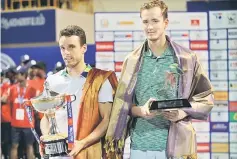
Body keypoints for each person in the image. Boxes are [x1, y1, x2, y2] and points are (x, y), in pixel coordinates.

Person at [105, 0, 214, 159]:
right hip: (140, 147)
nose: (150, 27)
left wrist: (182, 112)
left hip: (177, 147)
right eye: (145, 22)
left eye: (155, 21)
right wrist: (141, 111)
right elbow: (123, 105)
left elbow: (206, 99)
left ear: (165, 23)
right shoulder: (132, 60)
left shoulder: (186, 59)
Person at [40, 25, 118, 159]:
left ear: (84, 48)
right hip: (56, 154)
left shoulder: (99, 80)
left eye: (71, 47)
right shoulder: (52, 81)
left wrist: (82, 143)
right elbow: (46, 117)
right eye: (62, 48)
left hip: (88, 151)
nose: (66, 53)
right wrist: (47, 139)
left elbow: (107, 120)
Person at [8, 65, 36, 159]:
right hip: (15, 124)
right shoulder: (12, 89)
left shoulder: (32, 90)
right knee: (14, 146)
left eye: (17, 74)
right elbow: (10, 104)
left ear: (24, 75)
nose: (15, 76)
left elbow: (35, 105)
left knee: (29, 146)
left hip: (28, 124)